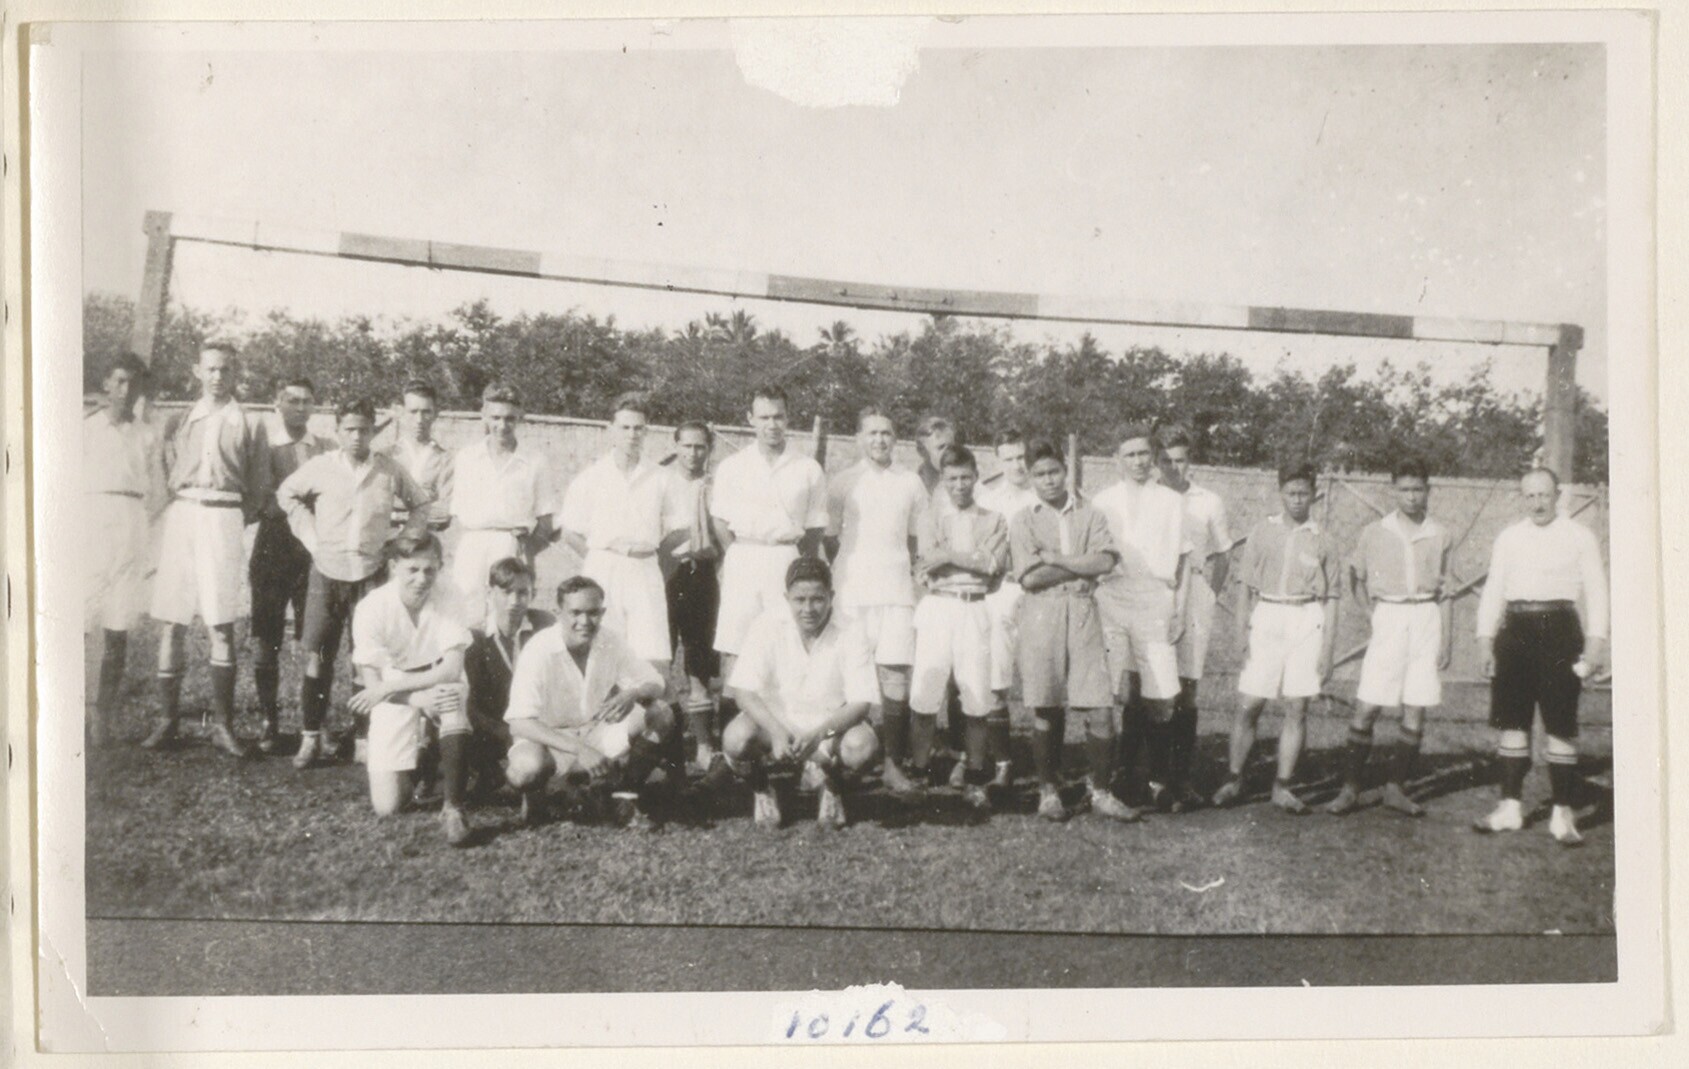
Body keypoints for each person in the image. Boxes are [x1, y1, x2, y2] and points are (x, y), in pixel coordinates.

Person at [278, 398, 433, 769]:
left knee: (367, 657)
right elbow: (287, 494)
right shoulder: (321, 466)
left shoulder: (388, 468)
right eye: (349, 429)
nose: (356, 437)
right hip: (327, 571)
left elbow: (421, 504)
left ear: (373, 431)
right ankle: (310, 736)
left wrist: (402, 542)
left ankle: (364, 738)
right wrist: (310, 535)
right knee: (318, 656)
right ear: (337, 430)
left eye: (364, 430)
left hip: (370, 573)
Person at [1472, 467, 1609, 845]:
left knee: (1560, 723)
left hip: (1560, 631)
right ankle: (1510, 808)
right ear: (1523, 498)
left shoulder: (1579, 536)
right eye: (1530, 496)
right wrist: (1484, 640)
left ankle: (1562, 813)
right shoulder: (1509, 538)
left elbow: (1597, 590)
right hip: (1515, 630)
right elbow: (1494, 589)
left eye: (1544, 495)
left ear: (1557, 495)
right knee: (1512, 721)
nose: (1537, 503)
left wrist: (1596, 642)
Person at [142, 341, 262, 758]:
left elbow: (258, 486)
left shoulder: (248, 422)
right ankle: (167, 720)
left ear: (235, 374)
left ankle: (223, 726)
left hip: (223, 517)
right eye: (210, 369)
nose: (217, 376)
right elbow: (163, 470)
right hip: (183, 514)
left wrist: (231, 518)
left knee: (221, 623)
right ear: (198, 371)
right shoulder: (179, 420)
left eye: (225, 369)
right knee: (172, 622)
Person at [1008, 438, 1135, 823]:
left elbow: (1105, 561)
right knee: (1046, 705)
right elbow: (1030, 578)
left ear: (1066, 471)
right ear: (1031, 478)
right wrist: (1079, 564)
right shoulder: (1023, 519)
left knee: (1100, 707)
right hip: (1041, 613)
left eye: (1054, 472)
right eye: (1039, 474)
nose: (1048, 480)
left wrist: (1056, 559)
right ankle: (1048, 791)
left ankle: (1101, 792)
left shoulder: (1091, 513)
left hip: (1083, 611)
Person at [1326, 457, 1452, 817]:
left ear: (1428, 490)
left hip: (1426, 617)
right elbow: (1355, 577)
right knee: (1368, 705)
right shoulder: (1375, 532)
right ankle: (1350, 788)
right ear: (1393, 490)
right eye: (1404, 489)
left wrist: (1447, 639)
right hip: (1390, 616)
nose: (1411, 496)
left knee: (1416, 707)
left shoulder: (1441, 534)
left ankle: (1396, 788)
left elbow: (1447, 592)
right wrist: (1372, 614)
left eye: (1418, 489)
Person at [1212, 462, 1339, 814]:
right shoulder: (1262, 532)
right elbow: (1244, 587)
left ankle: (1283, 786)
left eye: (1304, 493)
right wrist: (1240, 631)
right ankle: (1234, 779)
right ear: (1280, 492)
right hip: (1267, 615)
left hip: (1306, 619)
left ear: (1314, 495)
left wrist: (1328, 650)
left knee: (1297, 706)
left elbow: (1333, 598)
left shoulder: (1324, 539)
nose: (1297, 500)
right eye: (1291, 493)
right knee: (1250, 703)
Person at [503, 576, 678, 829]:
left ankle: (622, 796)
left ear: (602, 612)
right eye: (575, 613)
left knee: (661, 713)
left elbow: (657, 682)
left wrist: (633, 693)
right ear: (558, 613)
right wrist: (580, 750)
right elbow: (519, 723)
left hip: (594, 730)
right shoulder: (539, 649)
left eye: (593, 613)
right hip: (549, 739)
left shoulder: (610, 640)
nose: (585, 622)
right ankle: (540, 796)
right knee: (524, 769)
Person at [721, 556, 882, 829]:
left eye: (817, 599)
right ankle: (762, 789)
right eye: (799, 600)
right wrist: (776, 731)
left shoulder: (853, 629)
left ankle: (831, 786)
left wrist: (819, 735)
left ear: (831, 597)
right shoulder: (766, 624)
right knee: (736, 739)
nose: (808, 609)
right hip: (776, 722)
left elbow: (860, 703)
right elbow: (743, 691)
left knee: (862, 747)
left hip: (829, 727)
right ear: (787, 598)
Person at [709, 385, 828, 725]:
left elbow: (814, 527)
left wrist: (797, 565)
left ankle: (784, 729)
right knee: (736, 646)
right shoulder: (733, 466)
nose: (772, 425)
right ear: (750, 419)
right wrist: (736, 554)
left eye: (778, 417)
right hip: (743, 558)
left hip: (786, 559)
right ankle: (732, 739)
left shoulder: (807, 468)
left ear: (788, 419)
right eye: (764, 417)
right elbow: (720, 521)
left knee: (786, 640)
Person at [825, 408, 929, 796]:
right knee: (846, 676)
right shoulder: (842, 482)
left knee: (895, 678)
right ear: (858, 438)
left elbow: (917, 538)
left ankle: (892, 765)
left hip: (897, 592)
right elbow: (830, 538)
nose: (880, 440)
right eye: (872, 433)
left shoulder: (911, 482)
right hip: (852, 592)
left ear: (895, 439)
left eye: (886, 433)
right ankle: (834, 759)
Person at [347, 533, 474, 845]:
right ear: (393, 567)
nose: (422, 579)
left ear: (440, 567)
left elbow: (451, 668)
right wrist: (417, 700)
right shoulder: (371, 607)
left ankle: (453, 808)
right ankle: (425, 755)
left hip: (434, 678)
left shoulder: (450, 593)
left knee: (451, 695)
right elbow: (372, 683)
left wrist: (405, 692)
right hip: (398, 692)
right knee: (388, 806)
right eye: (412, 570)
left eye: (430, 570)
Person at [1091, 425, 1188, 810]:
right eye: (1129, 455)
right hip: (1113, 597)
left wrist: (1178, 609)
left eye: (1143, 453)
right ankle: (1119, 774)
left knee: (1161, 695)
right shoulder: (1102, 501)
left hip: (1155, 599)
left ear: (1153, 456)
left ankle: (1158, 780)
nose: (1137, 461)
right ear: (1117, 460)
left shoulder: (1171, 501)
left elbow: (1183, 561)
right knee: (1118, 691)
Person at [557, 392, 688, 672]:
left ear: (646, 431)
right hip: (603, 568)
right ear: (611, 430)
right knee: (600, 652)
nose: (632, 435)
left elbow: (681, 530)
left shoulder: (662, 477)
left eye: (638, 428)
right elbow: (570, 532)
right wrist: (599, 558)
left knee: (651, 656)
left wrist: (654, 560)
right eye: (625, 427)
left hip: (645, 567)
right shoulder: (591, 477)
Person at [911, 446, 1011, 810]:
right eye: (952, 478)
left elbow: (991, 566)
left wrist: (949, 556)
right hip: (938, 608)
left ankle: (975, 777)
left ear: (976, 477)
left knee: (976, 698)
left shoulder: (994, 519)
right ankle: (919, 775)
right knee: (925, 697)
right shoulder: (929, 518)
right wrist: (968, 561)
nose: (959, 485)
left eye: (965, 477)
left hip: (975, 608)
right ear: (942, 480)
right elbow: (927, 564)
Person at [84, 352, 166, 747]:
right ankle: (72, 708)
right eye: (118, 381)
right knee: (81, 620)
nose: (125, 390)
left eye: (132, 383)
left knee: (118, 625)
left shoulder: (147, 434)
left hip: (131, 521)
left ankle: (102, 716)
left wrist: (144, 537)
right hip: (91, 521)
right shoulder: (85, 428)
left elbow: (159, 492)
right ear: (105, 383)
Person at [248, 377, 334, 752]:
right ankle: (270, 722)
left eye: (306, 401)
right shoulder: (263, 446)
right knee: (266, 636)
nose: (299, 407)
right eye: (292, 400)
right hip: (273, 544)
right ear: (277, 403)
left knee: (315, 637)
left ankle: (315, 724)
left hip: (311, 546)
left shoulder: (325, 448)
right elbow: (259, 497)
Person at [1156, 425, 1232, 811]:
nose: (1174, 468)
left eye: (1180, 460)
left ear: (1191, 461)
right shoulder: (1148, 496)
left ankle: (1181, 778)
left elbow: (1223, 554)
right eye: (1166, 461)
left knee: (1186, 689)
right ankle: (1147, 777)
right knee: (1151, 686)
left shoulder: (1208, 501)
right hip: (1156, 594)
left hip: (1195, 594)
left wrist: (1209, 593)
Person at [449, 382, 557, 625]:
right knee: (467, 614)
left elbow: (546, 522)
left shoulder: (535, 461)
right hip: (473, 545)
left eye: (509, 418)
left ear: (520, 417)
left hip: (512, 545)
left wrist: (525, 552)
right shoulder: (467, 457)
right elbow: (457, 514)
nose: (502, 425)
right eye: (495, 417)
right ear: (484, 416)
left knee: (507, 615)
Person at [974, 428, 1040, 787]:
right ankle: (1003, 762)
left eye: (1022, 457)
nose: (1018, 465)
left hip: (1038, 593)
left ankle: (1048, 766)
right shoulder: (987, 498)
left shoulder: (1044, 493)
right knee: (995, 679)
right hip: (1000, 591)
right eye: (1010, 458)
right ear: (997, 460)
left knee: (1043, 682)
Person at [659, 420, 724, 771]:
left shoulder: (717, 486)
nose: (693, 453)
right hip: (666, 577)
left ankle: (703, 745)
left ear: (709, 449)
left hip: (703, 578)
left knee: (700, 665)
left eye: (700, 447)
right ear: (675, 446)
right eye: (686, 446)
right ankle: (667, 749)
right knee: (661, 660)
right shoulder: (660, 482)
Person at [463, 557, 554, 799]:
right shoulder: (474, 636)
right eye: (506, 592)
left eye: (522, 593)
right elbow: (470, 704)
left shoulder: (545, 626)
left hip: (536, 722)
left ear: (533, 594)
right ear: (489, 593)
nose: (514, 601)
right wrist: (507, 732)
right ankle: (487, 770)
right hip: (493, 727)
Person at [383, 379, 454, 533]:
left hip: (427, 539)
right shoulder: (386, 455)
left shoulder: (446, 460)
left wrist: (397, 512)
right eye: (413, 411)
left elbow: (444, 513)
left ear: (435, 413)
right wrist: (426, 503)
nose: (419, 420)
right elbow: (378, 507)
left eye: (426, 412)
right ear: (402, 412)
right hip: (388, 537)